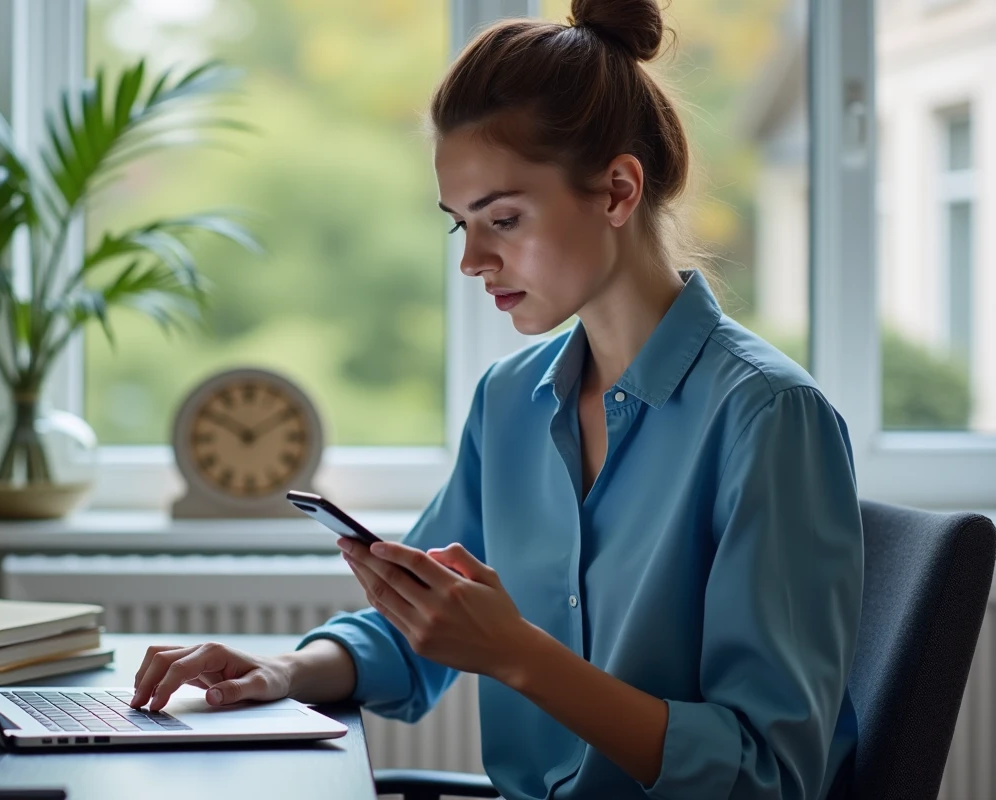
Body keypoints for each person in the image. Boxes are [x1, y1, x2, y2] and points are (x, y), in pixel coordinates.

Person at [131, 0, 864, 796]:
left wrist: (516, 652)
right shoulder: (510, 400)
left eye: (504, 219)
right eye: (460, 227)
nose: (473, 260)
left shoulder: (767, 419)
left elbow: (771, 775)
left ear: (618, 191)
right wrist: (282, 668)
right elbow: (418, 635)